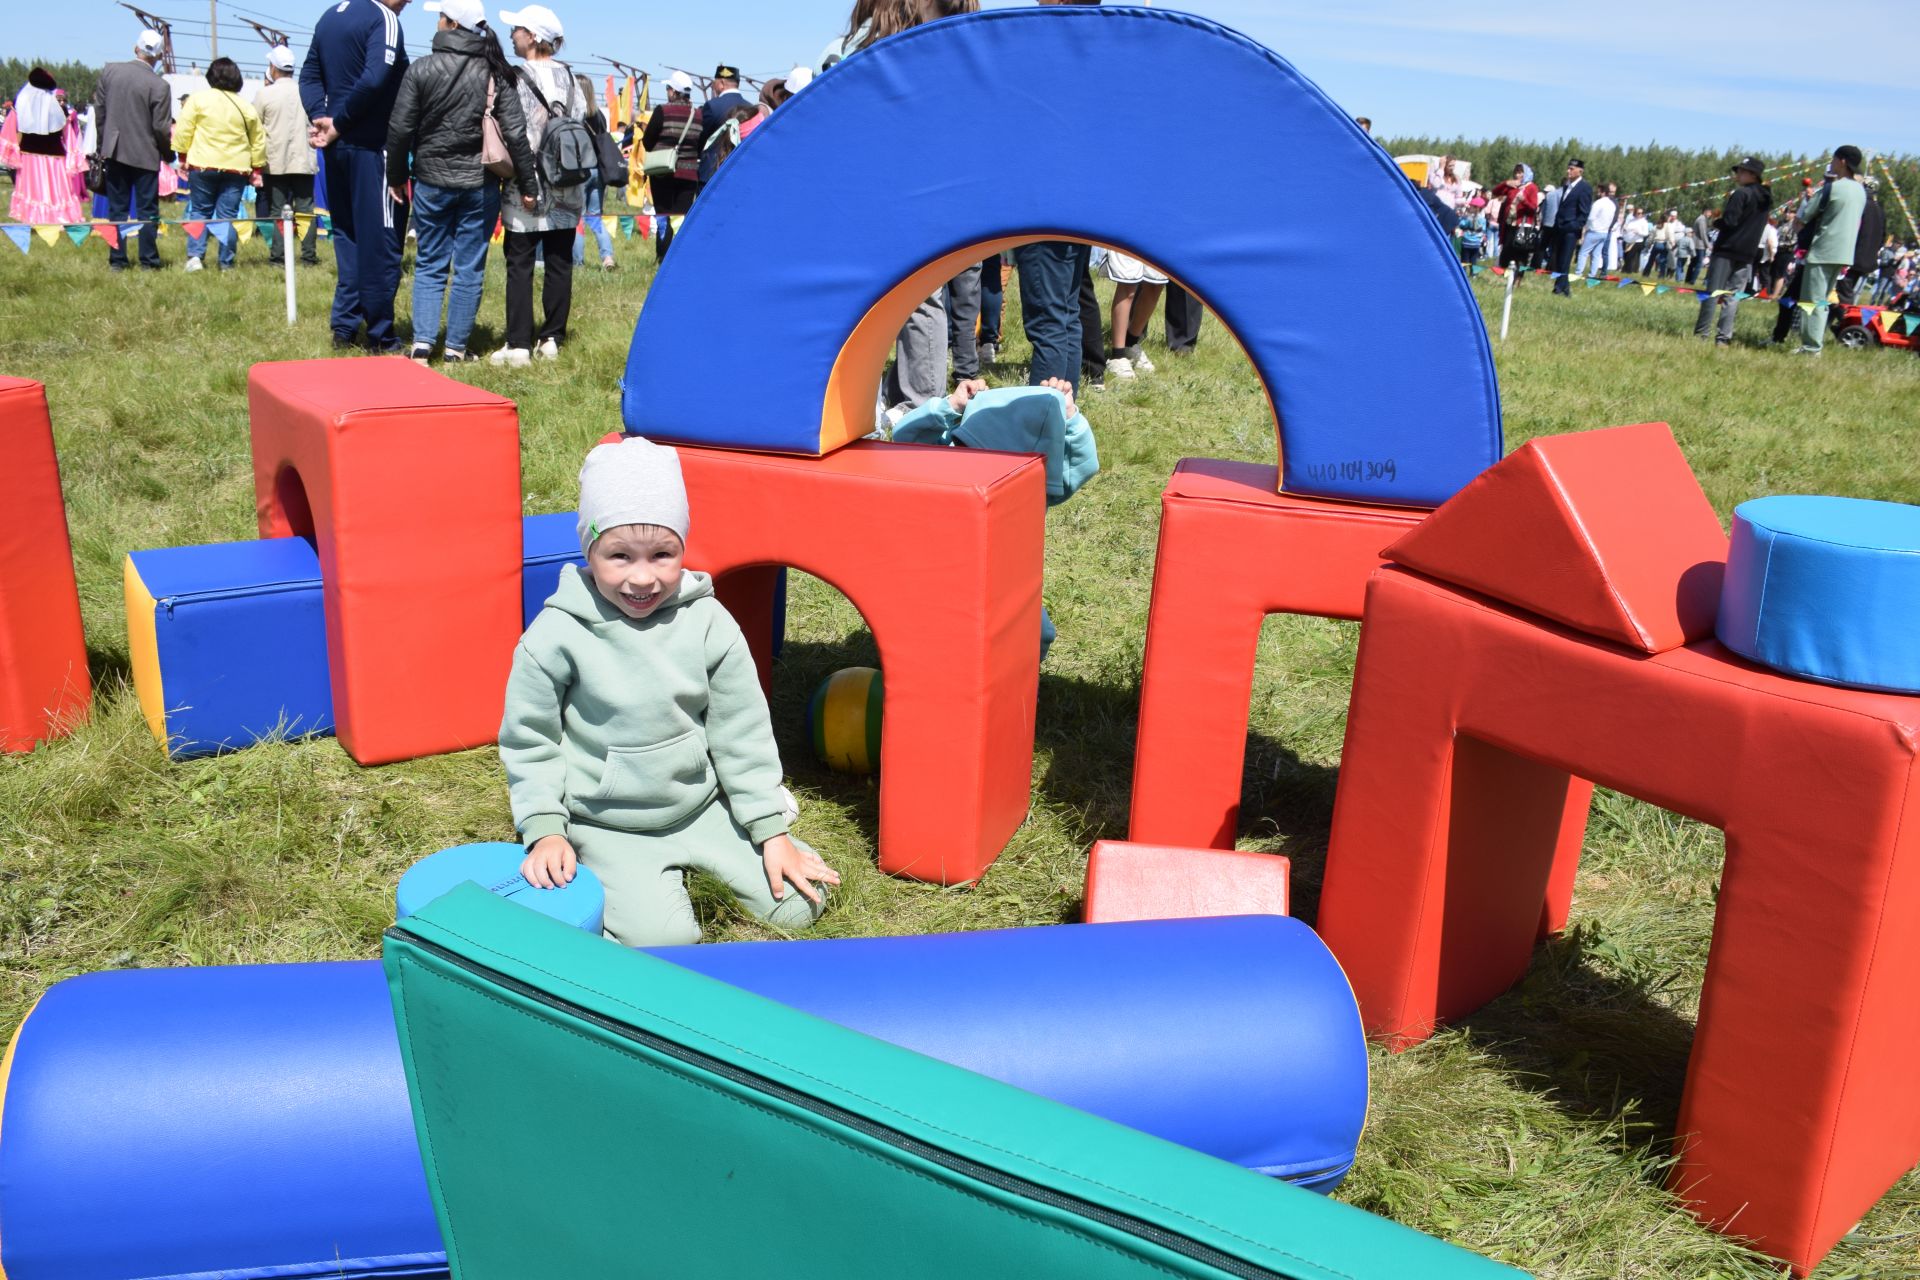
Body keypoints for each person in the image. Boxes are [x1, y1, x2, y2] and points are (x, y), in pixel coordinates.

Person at [504, 438, 839, 948]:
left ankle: (761, 834)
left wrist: (770, 830)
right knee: (666, 942)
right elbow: (530, 740)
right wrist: (547, 828)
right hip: (608, 824)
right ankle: (613, 897)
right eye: (619, 556)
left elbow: (741, 728)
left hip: (699, 807)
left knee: (800, 903)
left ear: (683, 546)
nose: (643, 577)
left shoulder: (708, 622)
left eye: (662, 554)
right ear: (588, 550)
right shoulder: (554, 636)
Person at [891, 376, 1099, 659]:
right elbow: (903, 441)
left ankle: (1017, 684)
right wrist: (951, 404)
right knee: (930, 629)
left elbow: (1084, 464)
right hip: (940, 576)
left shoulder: (1033, 488)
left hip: (1002, 583)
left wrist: (1070, 415)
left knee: (1033, 632)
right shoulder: (953, 460)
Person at [387, 0, 537, 363]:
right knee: (469, 266)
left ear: (452, 23)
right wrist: (530, 184)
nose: (436, 22)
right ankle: (455, 349)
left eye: (440, 16)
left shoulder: (422, 68)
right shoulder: (496, 72)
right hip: (480, 184)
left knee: (429, 262)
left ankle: (421, 346)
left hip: (430, 181)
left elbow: (400, 128)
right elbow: (516, 135)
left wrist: (395, 177)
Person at [302, 0, 411, 350]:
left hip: (337, 149)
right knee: (380, 243)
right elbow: (375, 77)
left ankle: (344, 328)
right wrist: (339, 122)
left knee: (347, 239)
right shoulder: (384, 19)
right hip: (371, 147)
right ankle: (381, 336)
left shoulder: (329, 16)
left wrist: (323, 116)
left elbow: (309, 76)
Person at [493, 3, 589, 367]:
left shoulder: (513, 75)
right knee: (559, 260)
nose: (512, 34)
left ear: (532, 36)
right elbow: (579, 118)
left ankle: (518, 343)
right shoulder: (570, 76)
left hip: (526, 181)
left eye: (517, 29)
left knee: (519, 261)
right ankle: (551, 338)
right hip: (566, 181)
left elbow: (512, 130)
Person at [172, 59, 266, 272]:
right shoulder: (245, 107)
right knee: (228, 215)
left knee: (199, 211)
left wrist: (183, 156)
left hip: (203, 165)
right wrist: (257, 168)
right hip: (236, 168)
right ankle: (226, 263)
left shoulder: (197, 100)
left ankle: (195, 257)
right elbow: (258, 139)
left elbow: (184, 130)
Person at [91, 32, 174, 271]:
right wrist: (168, 154)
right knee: (148, 210)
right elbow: (161, 128)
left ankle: (117, 260)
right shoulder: (159, 85)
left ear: (134, 48)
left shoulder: (110, 71)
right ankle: (149, 261)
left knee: (117, 209)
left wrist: (102, 145)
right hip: (145, 154)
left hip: (115, 149)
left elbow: (101, 113)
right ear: (159, 56)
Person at [1791, 146, 1868, 356]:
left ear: (1842, 161)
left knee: (1811, 301)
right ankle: (1813, 344)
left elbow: (1806, 214)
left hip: (1824, 249)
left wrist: (1807, 199)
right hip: (1844, 253)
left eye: (1833, 160)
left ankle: (1811, 347)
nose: (1831, 163)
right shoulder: (1861, 191)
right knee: (1823, 300)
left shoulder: (1832, 187)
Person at [1693, 157, 1770, 346]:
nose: (1737, 175)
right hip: (1748, 253)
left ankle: (1701, 334)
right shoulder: (1766, 197)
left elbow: (1730, 222)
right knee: (1733, 296)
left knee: (1713, 293)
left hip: (1728, 250)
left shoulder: (1741, 194)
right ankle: (1723, 338)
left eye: (1742, 171)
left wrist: (1716, 222)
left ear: (1753, 175)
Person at [257, 45, 322, 268]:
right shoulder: (306, 91)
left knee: (278, 210)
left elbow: (256, 127)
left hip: (275, 161)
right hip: (304, 159)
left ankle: (278, 257)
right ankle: (308, 257)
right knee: (305, 209)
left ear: (273, 68)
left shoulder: (265, 94)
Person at [1, 68, 85, 226]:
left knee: (34, 189)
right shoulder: (57, 109)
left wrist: (12, 152)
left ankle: (34, 218)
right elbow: (68, 136)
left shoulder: (21, 107)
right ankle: (57, 218)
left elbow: (9, 131)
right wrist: (72, 157)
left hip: (29, 158)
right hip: (55, 159)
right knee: (55, 191)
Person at [639, 70, 703, 260]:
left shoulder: (662, 111)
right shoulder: (698, 115)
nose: (667, 91)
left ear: (674, 92)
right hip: (690, 174)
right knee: (682, 219)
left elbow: (647, 141)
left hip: (662, 173)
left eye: (668, 88)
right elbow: (700, 143)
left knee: (664, 216)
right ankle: (681, 257)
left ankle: (663, 257)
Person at [570, 72, 616, 269]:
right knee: (595, 217)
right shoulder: (599, 116)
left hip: (580, 171)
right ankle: (607, 257)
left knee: (577, 218)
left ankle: (577, 263)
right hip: (599, 171)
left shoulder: (574, 115)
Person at [1101, 247, 1166, 379]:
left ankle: (1130, 343)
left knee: (1156, 284)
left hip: (1161, 230)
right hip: (1128, 228)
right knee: (1128, 284)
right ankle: (1117, 355)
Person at [1835, 175, 1886, 306]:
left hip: (1852, 257)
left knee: (1843, 291)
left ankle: (1845, 321)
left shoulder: (1860, 205)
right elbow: (1882, 238)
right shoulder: (1880, 210)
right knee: (1846, 289)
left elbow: (1850, 228)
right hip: (1866, 259)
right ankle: (1836, 320)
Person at [696, 63, 748, 184]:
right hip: (738, 170)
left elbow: (701, 137)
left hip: (712, 170)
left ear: (722, 83)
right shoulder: (749, 107)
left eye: (715, 82)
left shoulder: (712, 106)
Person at [1489, 164, 1541, 277]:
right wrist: (1505, 183)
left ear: (1526, 173)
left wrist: (1524, 201)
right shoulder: (1512, 186)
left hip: (1522, 226)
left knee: (1521, 255)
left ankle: (1518, 279)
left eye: (1521, 172)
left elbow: (1533, 208)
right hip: (1509, 224)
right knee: (1506, 252)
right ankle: (1502, 276)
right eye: (1516, 172)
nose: (1518, 175)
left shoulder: (1532, 187)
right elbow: (1495, 192)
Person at [1550, 159, 1590, 295]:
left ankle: (1560, 288)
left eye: (1572, 169)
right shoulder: (1568, 186)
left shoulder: (1584, 188)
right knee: (1559, 259)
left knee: (1565, 260)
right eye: (1568, 168)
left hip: (1570, 231)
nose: (1568, 171)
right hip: (1560, 228)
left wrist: (1573, 226)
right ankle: (1564, 287)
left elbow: (1583, 214)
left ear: (1580, 171)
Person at [1576, 178, 1615, 279]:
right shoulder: (1612, 205)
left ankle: (1578, 273)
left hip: (1594, 231)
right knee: (1596, 254)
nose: (1597, 193)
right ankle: (1592, 274)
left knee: (1583, 253)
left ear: (1602, 192)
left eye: (1598, 191)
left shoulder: (1598, 203)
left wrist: (1585, 229)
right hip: (1605, 232)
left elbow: (1591, 218)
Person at [1456, 200, 1488, 268]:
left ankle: (1463, 272)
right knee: (1474, 259)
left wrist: (1462, 217)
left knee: (1464, 259)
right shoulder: (1482, 219)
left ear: (1475, 207)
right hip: (1476, 242)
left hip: (1467, 241)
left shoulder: (1468, 218)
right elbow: (1484, 229)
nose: (1469, 207)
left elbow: (1462, 224)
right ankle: (1473, 273)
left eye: (1471, 206)